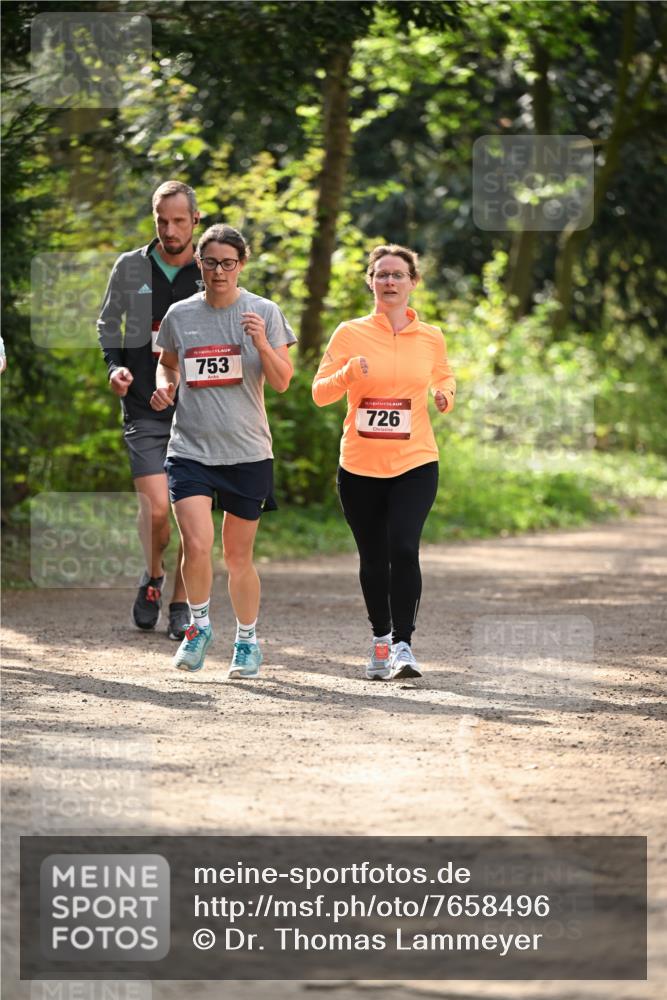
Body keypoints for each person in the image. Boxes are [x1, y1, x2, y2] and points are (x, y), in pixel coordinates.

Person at [150, 223, 296, 676]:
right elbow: (166, 366)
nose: (219, 271)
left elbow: (282, 380)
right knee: (196, 543)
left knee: (237, 556)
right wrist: (164, 388)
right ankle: (197, 628)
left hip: (248, 452)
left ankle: (247, 641)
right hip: (190, 449)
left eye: (228, 263)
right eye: (210, 262)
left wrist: (260, 342)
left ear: (241, 265)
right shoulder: (180, 314)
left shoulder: (264, 312)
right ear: (199, 263)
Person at [312, 244, 455, 681]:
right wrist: (348, 374)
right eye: (382, 275)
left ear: (413, 282)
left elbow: (444, 374)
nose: (390, 282)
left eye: (398, 275)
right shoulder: (349, 333)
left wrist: (444, 394)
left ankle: (403, 645)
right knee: (373, 556)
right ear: (370, 282)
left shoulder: (430, 337)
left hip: (415, 460)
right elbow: (320, 393)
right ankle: (380, 640)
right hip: (359, 465)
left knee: (404, 547)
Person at [98, 181, 202, 639]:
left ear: (195, 220)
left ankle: (180, 604)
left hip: (200, 413)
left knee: (192, 518)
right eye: (162, 220)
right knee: (158, 509)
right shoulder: (131, 266)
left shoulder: (211, 267)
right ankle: (153, 575)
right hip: (143, 406)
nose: (170, 229)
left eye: (179, 220)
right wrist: (115, 366)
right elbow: (107, 322)